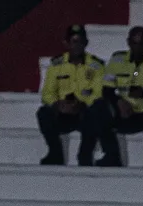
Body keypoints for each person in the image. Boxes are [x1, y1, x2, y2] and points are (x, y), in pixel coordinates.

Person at [86, 26, 143, 168]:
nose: (137, 47)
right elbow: (106, 90)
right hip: (123, 113)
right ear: (128, 42)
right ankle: (112, 156)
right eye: (134, 43)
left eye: (141, 44)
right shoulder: (117, 60)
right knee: (99, 107)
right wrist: (119, 101)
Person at [37, 25, 104, 166]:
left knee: (97, 111)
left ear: (86, 43)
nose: (77, 46)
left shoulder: (96, 65)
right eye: (74, 41)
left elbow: (98, 93)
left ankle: (85, 155)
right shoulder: (56, 65)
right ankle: (55, 154)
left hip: (83, 113)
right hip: (62, 112)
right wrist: (57, 104)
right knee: (43, 113)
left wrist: (81, 104)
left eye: (80, 42)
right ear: (66, 43)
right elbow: (47, 93)